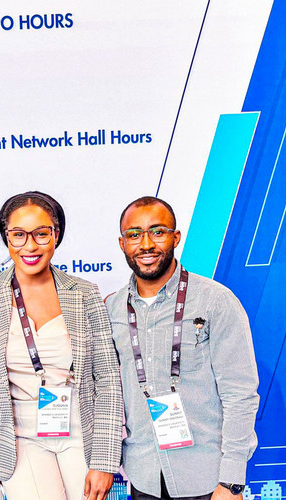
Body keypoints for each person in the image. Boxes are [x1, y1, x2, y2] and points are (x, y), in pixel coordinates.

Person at [0, 191, 122, 500]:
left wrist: (105, 459)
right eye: (18, 235)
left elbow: (107, 379)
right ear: (6, 238)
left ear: (56, 235)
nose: (30, 246)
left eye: (41, 233)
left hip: (80, 429)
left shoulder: (84, 293)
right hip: (18, 437)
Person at [105, 196, 259, 500]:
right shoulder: (112, 308)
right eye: (134, 235)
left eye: (158, 232)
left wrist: (231, 481)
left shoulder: (215, 301)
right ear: (122, 243)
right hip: (143, 477)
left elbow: (239, 394)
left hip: (207, 479)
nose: (146, 244)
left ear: (175, 237)